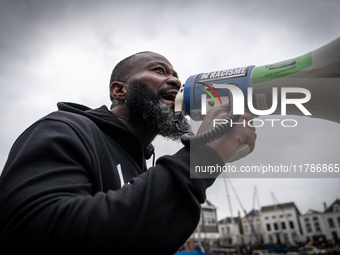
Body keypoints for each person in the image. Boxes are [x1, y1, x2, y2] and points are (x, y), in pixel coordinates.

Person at [0, 52, 256, 254]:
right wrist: (200, 159)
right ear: (119, 90)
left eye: (176, 75)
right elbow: (34, 234)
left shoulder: (142, 166)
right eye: (159, 70)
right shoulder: (63, 129)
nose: (177, 81)